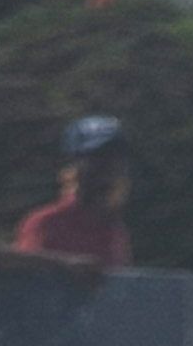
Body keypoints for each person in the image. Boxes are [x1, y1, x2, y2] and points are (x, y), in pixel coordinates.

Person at [8, 115, 134, 276]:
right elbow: (27, 286)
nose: (109, 170)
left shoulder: (115, 229)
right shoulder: (46, 222)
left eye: (117, 160)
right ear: (71, 167)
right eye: (98, 160)